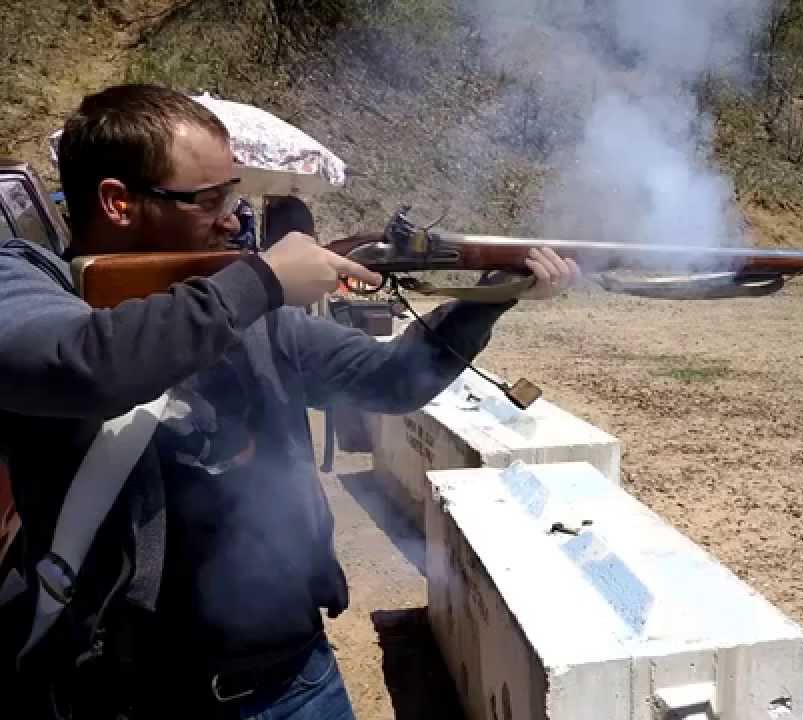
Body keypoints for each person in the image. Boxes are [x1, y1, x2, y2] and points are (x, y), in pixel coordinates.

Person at [0, 83, 579, 719]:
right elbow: (88, 365)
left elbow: (394, 379)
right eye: (210, 199)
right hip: (128, 698)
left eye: (234, 195)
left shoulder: (238, 301)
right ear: (118, 202)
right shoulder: (25, 282)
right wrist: (262, 280)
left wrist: (486, 298)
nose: (233, 217)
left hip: (295, 681)